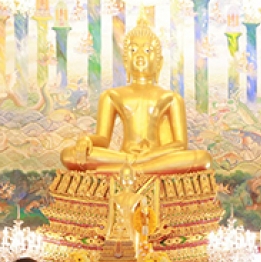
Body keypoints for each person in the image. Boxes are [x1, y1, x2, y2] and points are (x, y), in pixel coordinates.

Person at [59, 17, 212, 175]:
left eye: (147, 51)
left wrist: (148, 156)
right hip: (124, 156)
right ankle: (137, 166)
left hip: (156, 157)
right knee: (68, 155)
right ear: (126, 62)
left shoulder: (171, 98)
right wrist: (87, 141)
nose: (139, 55)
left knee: (203, 158)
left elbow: (180, 145)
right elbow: (103, 139)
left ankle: (133, 167)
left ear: (159, 62)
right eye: (133, 50)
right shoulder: (112, 96)